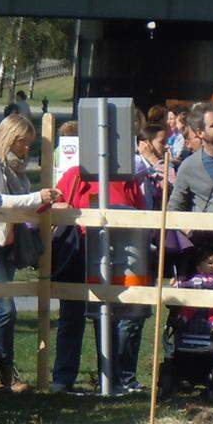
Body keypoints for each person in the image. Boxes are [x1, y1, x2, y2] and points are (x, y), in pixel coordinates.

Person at [50, 155, 148, 394]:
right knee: (71, 316)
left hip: (116, 257)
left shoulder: (127, 180)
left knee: (110, 318)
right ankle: (63, 379)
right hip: (79, 253)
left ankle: (112, 378)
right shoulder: (75, 174)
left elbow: (142, 215)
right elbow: (54, 206)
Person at [0, 114, 60, 393]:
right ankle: (4, 369)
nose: (26, 148)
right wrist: (38, 197)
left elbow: (19, 206)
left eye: (29, 143)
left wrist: (41, 205)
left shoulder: (17, 170)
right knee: (4, 310)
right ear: (9, 138)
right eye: (22, 142)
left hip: (8, 242)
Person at [172, 248, 213, 333]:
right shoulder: (197, 277)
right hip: (197, 300)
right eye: (210, 263)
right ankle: (182, 318)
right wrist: (177, 284)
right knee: (189, 306)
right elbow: (188, 284)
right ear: (199, 269)